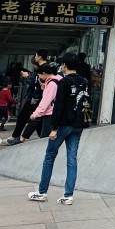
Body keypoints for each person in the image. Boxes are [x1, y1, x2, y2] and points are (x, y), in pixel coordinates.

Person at [28, 53, 91, 205]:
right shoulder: (84, 81)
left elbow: (59, 106)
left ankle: (42, 192)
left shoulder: (64, 82)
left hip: (63, 125)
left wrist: (54, 128)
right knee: (72, 159)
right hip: (78, 125)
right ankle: (68, 195)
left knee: (50, 156)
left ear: (64, 65)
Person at [28, 62, 61, 136]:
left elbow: (46, 101)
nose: (39, 77)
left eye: (39, 75)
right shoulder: (59, 79)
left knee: (45, 139)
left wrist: (35, 114)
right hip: (59, 113)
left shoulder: (52, 84)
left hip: (50, 114)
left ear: (43, 73)